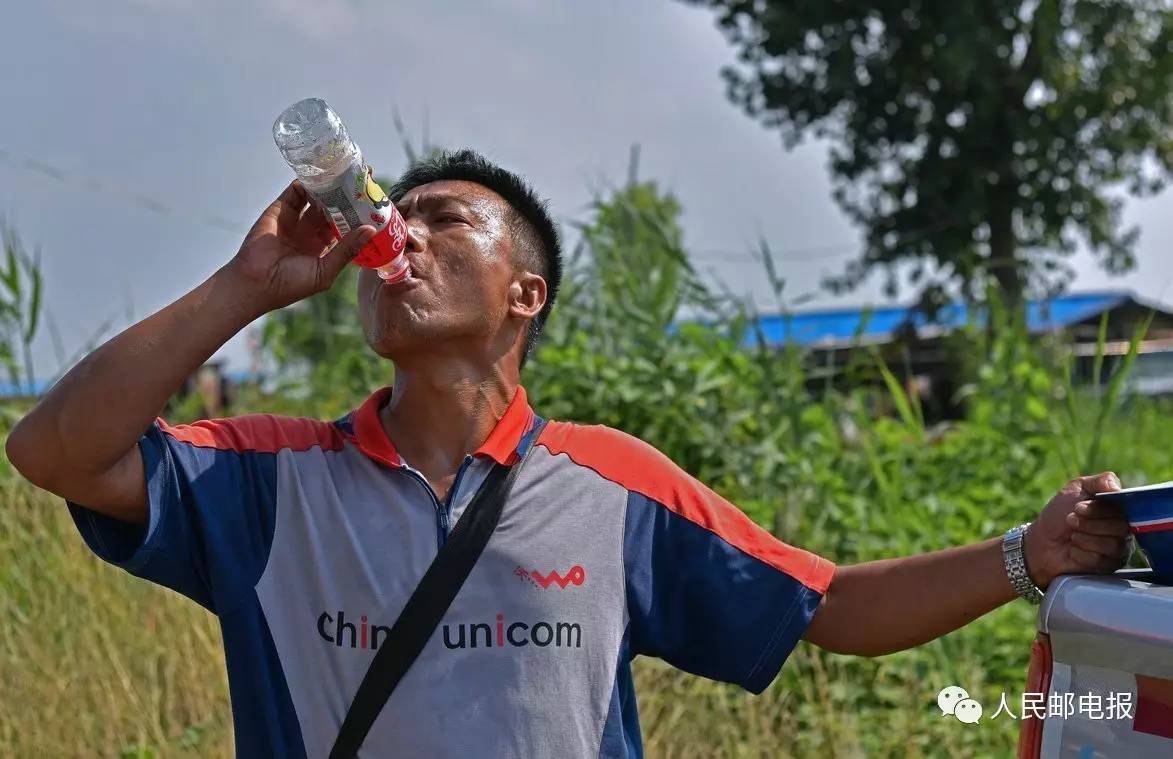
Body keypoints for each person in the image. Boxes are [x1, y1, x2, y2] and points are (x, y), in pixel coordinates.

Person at [7, 149, 1132, 758]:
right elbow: (57, 451)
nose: (405, 236)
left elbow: (828, 605)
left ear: (523, 294)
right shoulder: (268, 479)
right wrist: (244, 289)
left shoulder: (613, 487)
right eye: (403, 216)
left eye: (450, 220)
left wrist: (1025, 557)